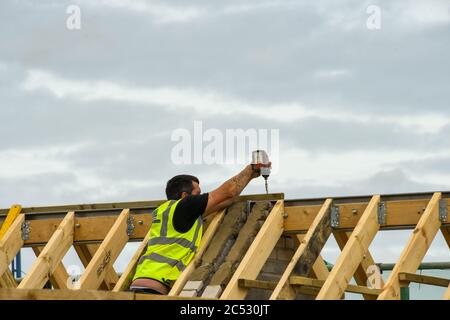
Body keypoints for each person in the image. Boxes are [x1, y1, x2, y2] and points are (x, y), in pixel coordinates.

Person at [130, 162, 267, 295]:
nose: (201, 197)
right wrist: (251, 168)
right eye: (198, 193)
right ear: (185, 196)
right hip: (157, 285)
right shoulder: (186, 206)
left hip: (141, 279)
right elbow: (228, 191)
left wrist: (250, 176)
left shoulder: (165, 211)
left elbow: (227, 199)